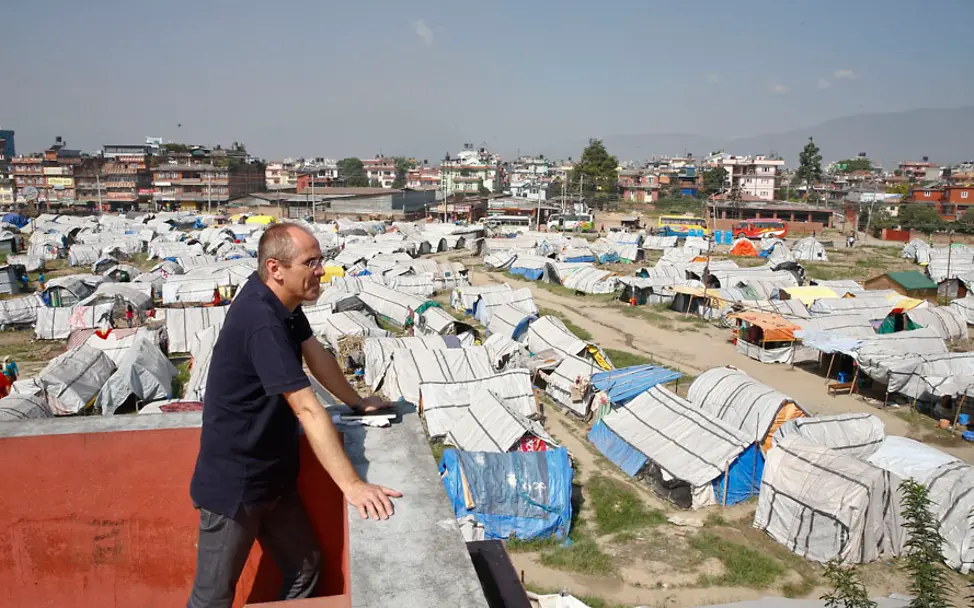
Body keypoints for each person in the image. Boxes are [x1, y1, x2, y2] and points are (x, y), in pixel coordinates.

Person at [187, 223, 401, 608]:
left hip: (274, 477)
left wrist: (356, 402)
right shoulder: (260, 320)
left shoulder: (282, 305)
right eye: (311, 262)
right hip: (235, 485)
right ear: (276, 268)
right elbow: (306, 407)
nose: (321, 270)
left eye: (321, 260)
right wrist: (352, 486)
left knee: (305, 569)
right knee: (212, 597)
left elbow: (314, 352)